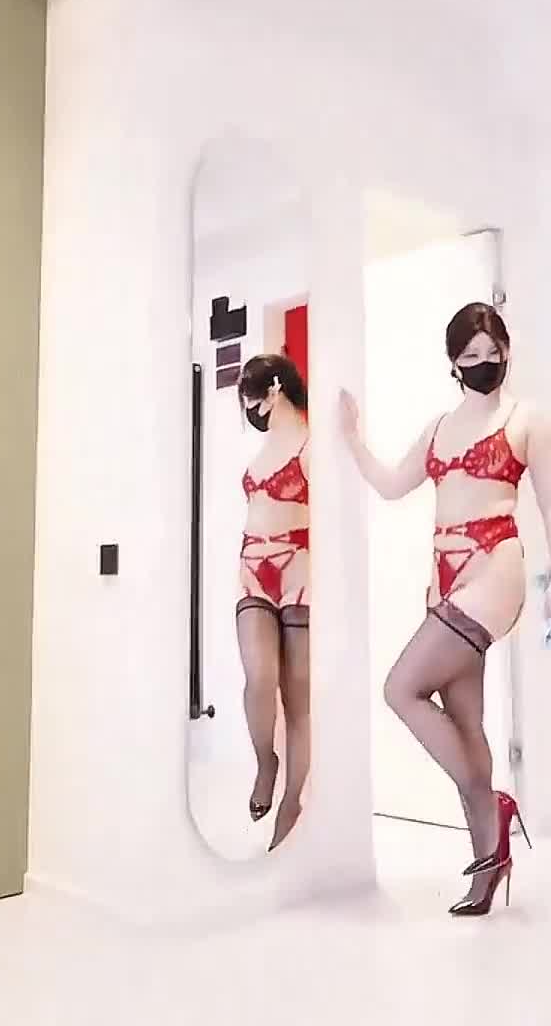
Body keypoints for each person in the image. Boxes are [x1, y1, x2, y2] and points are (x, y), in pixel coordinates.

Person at [339, 302, 551, 915]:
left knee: (401, 688)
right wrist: (352, 439)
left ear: (507, 352)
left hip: (495, 567)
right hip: (443, 577)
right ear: (452, 362)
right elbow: (393, 485)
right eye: (470, 356)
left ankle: (491, 810)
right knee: (466, 722)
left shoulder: (525, 420)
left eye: (493, 352)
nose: (484, 363)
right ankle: (489, 861)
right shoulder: (440, 427)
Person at [235, 353, 312, 850]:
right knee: (259, 680)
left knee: (298, 698)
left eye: (252, 398)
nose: (250, 409)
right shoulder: (261, 452)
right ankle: (267, 760)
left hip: (299, 569)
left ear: (275, 388)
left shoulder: (311, 444)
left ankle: (292, 801)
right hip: (252, 569)